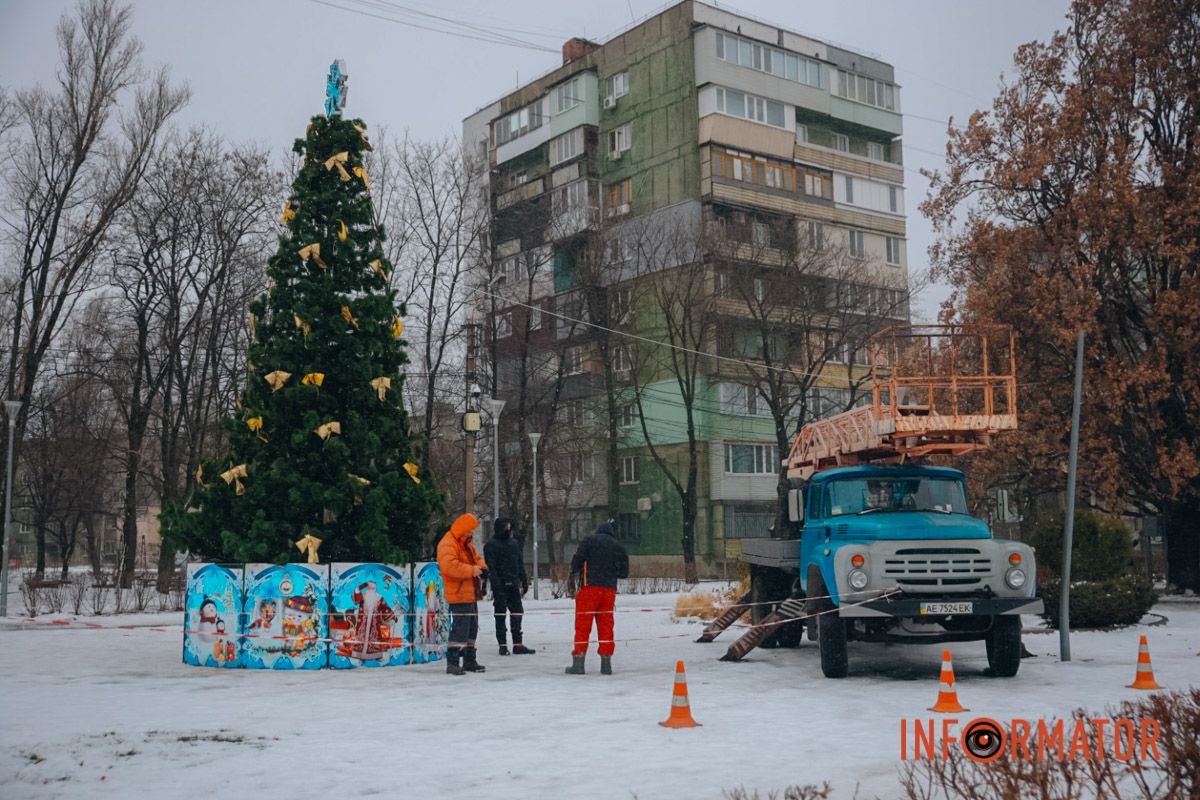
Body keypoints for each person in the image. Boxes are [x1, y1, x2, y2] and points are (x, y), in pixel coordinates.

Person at [565, 520, 629, 676]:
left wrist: (575, 572)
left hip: (589, 588)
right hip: (609, 591)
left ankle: (579, 663)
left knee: (583, 625)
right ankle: (606, 664)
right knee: (606, 625)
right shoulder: (618, 546)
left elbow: (577, 562)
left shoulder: (589, 541)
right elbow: (624, 573)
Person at [436, 513, 488, 676]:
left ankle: (469, 660)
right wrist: (472, 571)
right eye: (469, 530)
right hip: (458, 593)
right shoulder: (448, 543)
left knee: (472, 628)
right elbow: (449, 567)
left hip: (470, 592)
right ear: (462, 529)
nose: (471, 533)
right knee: (460, 629)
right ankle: (452, 663)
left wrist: (483, 568)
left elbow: (476, 559)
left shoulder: (465, 543)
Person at [483, 517, 535, 656]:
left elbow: (519, 563)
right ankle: (503, 645)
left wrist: (523, 579)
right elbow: (491, 567)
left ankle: (517, 644)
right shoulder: (491, 545)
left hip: (513, 584)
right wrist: (495, 584)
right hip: (500, 585)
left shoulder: (513, 543)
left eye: (509, 526)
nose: (508, 528)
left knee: (517, 613)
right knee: (500, 615)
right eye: (506, 526)